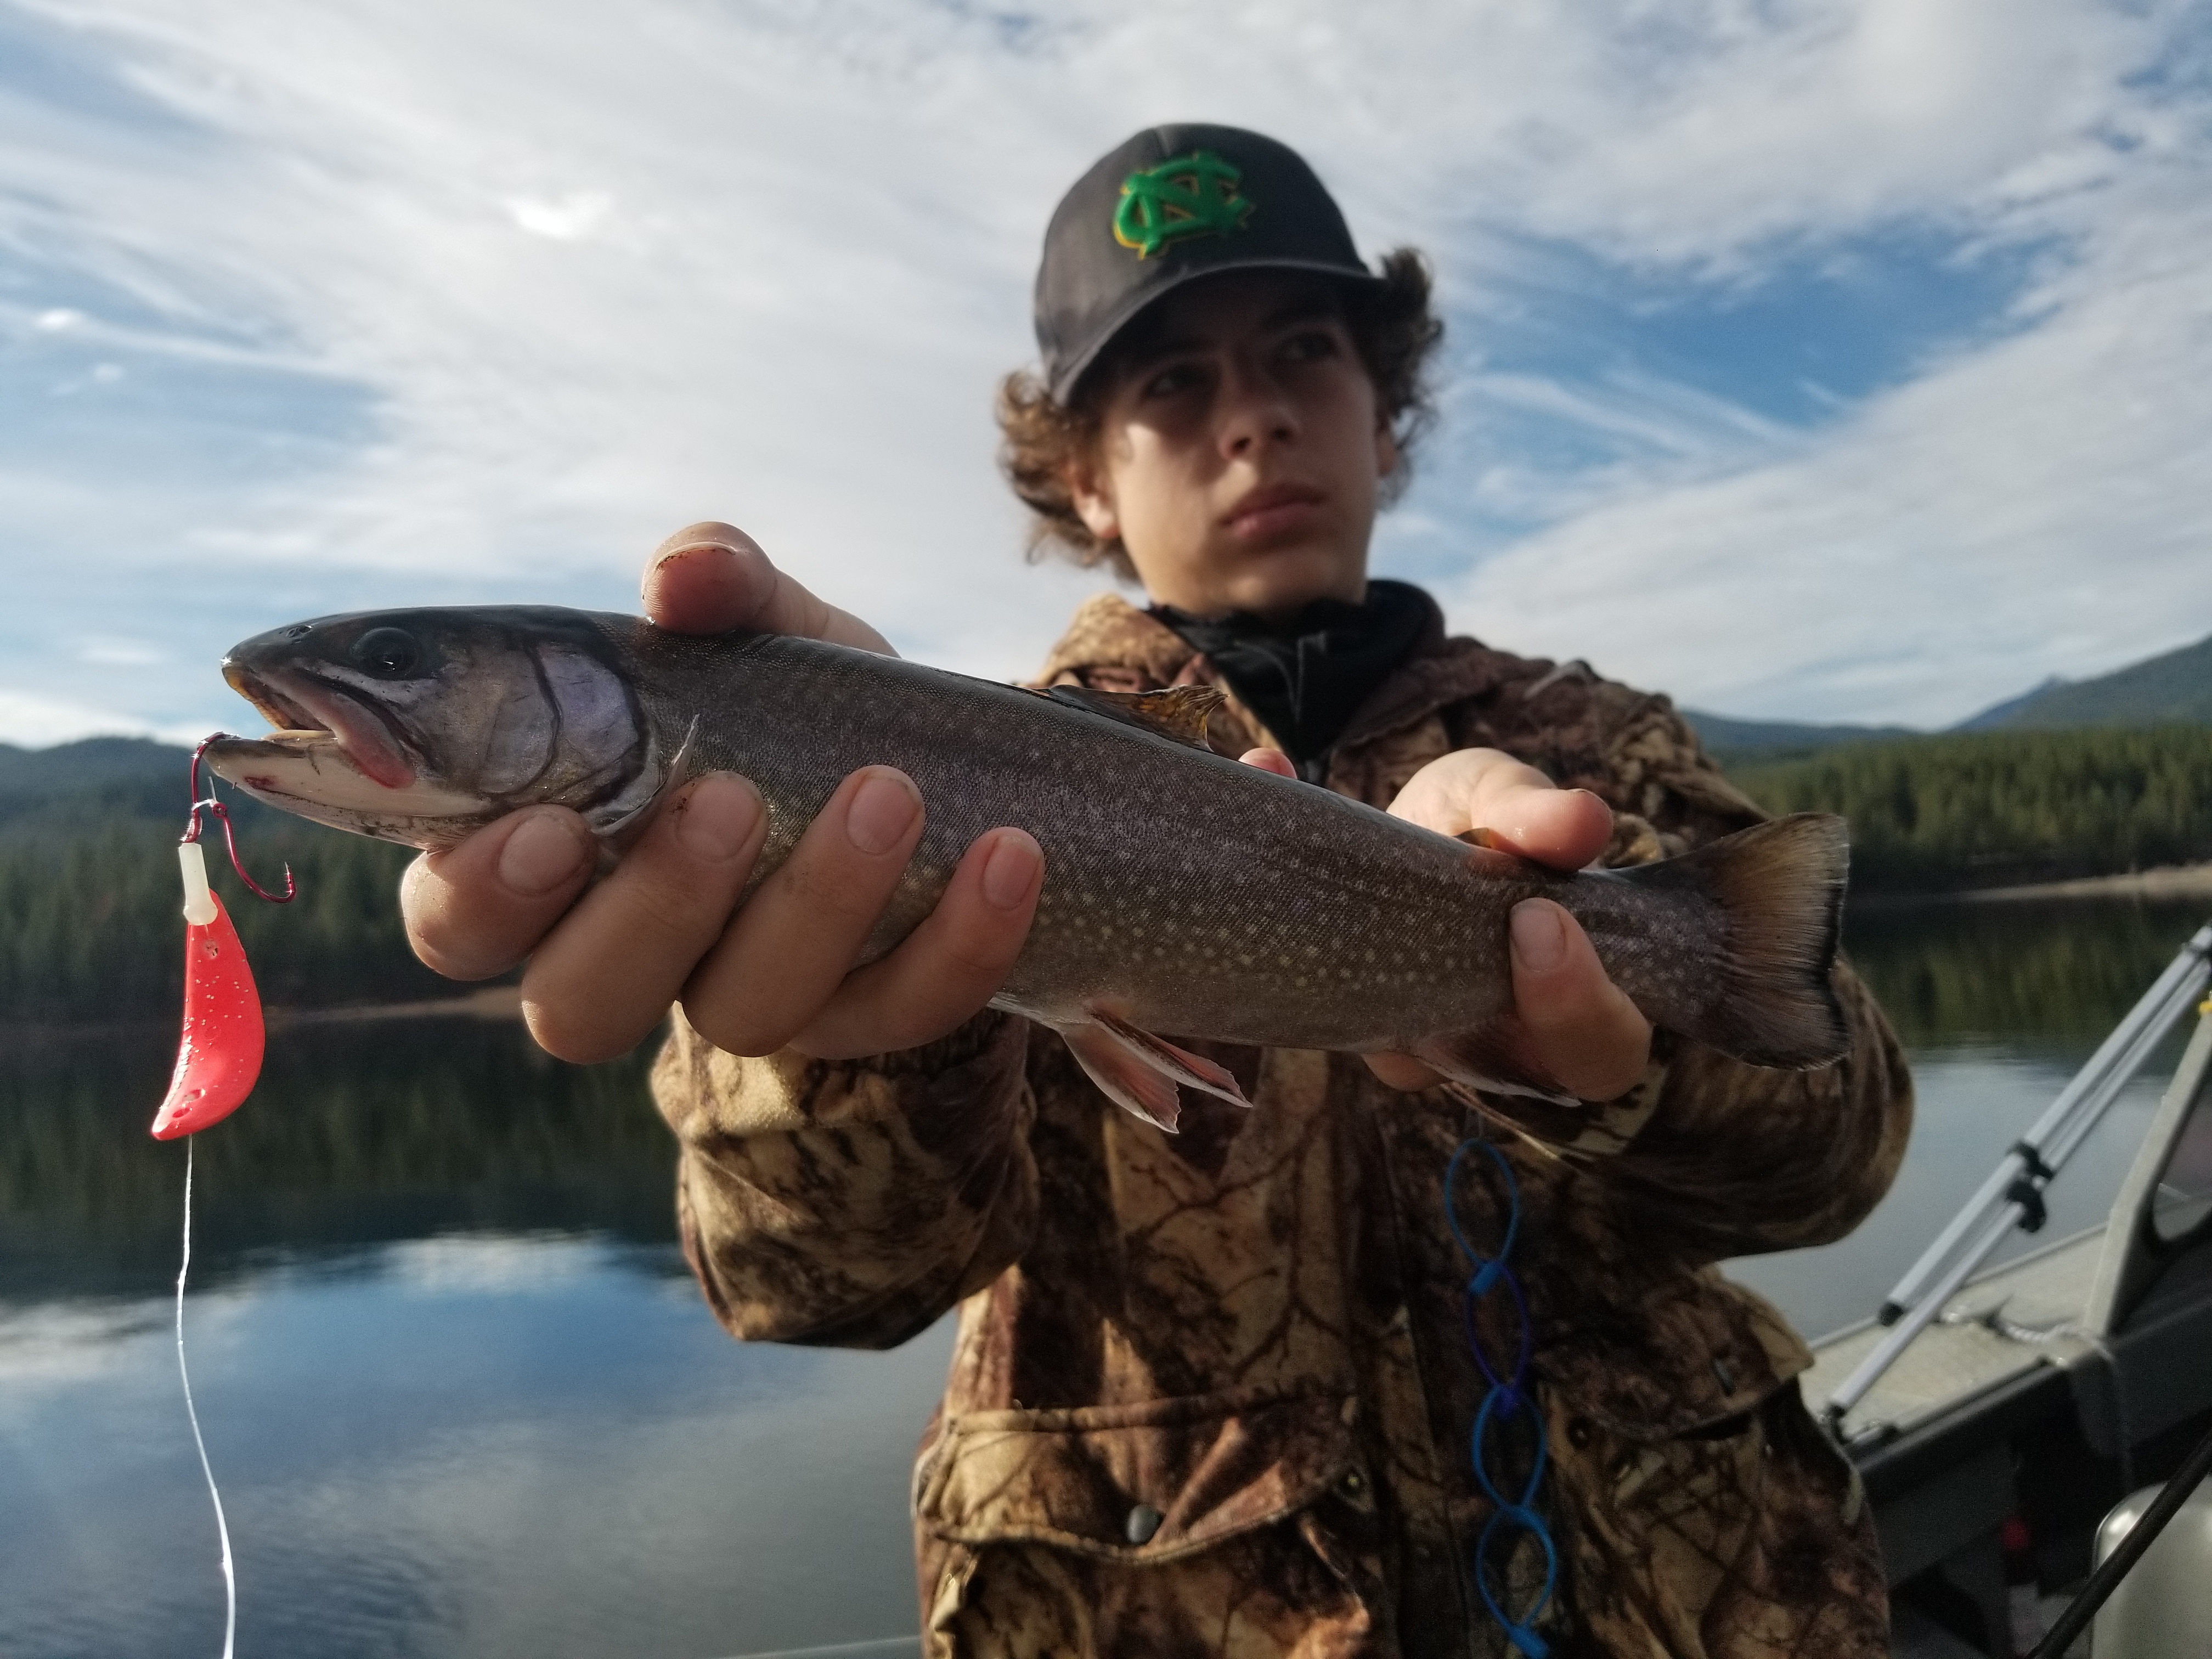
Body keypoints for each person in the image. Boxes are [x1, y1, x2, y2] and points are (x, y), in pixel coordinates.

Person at [402, 126, 1911, 1657]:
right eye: (1173, 383)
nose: (1252, 419)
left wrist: (1606, 1042)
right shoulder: (903, 786)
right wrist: (837, 1035)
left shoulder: (1603, 757)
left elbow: (1837, 1154)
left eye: (1305, 354)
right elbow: (809, 1290)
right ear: (1084, 476)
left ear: (1384, 417)